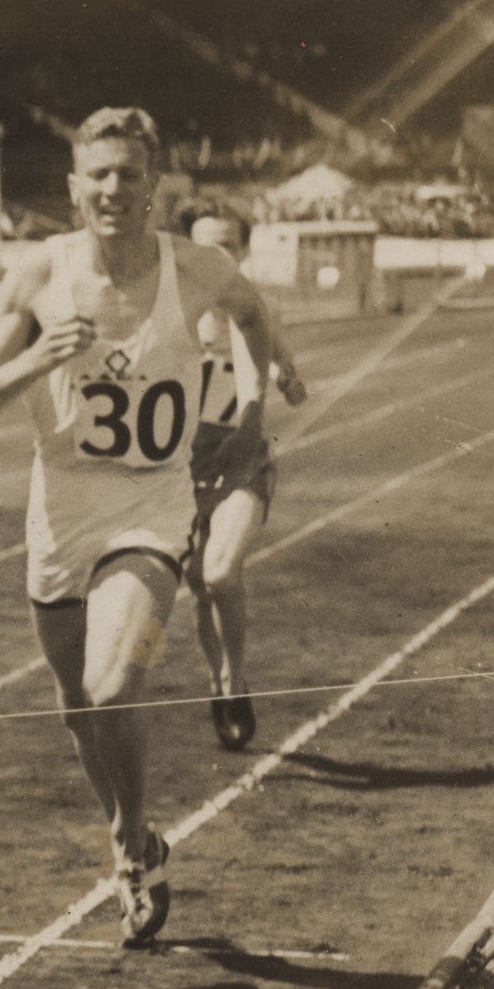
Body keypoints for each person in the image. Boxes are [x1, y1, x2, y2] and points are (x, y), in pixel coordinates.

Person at [0, 107, 272, 946]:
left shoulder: (196, 267)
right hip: (60, 511)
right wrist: (38, 356)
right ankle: (134, 837)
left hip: (153, 508)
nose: (113, 188)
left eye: (129, 173)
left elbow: (253, 313)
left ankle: (129, 840)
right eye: (98, 174)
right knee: (75, 708)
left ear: (152, 185)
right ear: (73, 187)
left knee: (113, 684)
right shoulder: (37, 276)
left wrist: (253, 407)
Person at [183, 205, 309, 749]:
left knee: (220, 572)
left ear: (242, 250)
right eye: (205, 246)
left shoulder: (258, 307)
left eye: (227, 246)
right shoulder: (172, 309)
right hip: (182, 470)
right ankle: (217, 682)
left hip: (243, 461)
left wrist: (286, 377)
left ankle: (235, 680)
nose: (216, 257)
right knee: (197, 584)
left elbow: (288, 372)